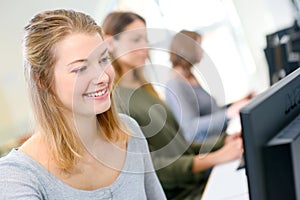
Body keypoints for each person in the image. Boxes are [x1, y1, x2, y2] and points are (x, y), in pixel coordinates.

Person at [0, 9, 166, 200]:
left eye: (103, 59)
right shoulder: (17, 178)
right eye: (80, 69)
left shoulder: (129, 132)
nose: (103, 77)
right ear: (42, 80)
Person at [102, 11, 244, 199]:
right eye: (136, 39)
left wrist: (223, 141)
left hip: (198, 185)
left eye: (145, 39)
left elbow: (179, 145)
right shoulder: (116, 102)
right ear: (110, 42)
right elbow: (156, 168)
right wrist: (215, 157)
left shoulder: (145, 89)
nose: (145, 47)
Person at [166, 30, 252, 142]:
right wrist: (227, 114)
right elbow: (190, 129)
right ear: (187, 49)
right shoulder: (175, 85)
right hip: (210, 149)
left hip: (221, 138)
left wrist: (236, 104)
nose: (201, 50)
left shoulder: (190, 77)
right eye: (198, 46)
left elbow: (211, 112)